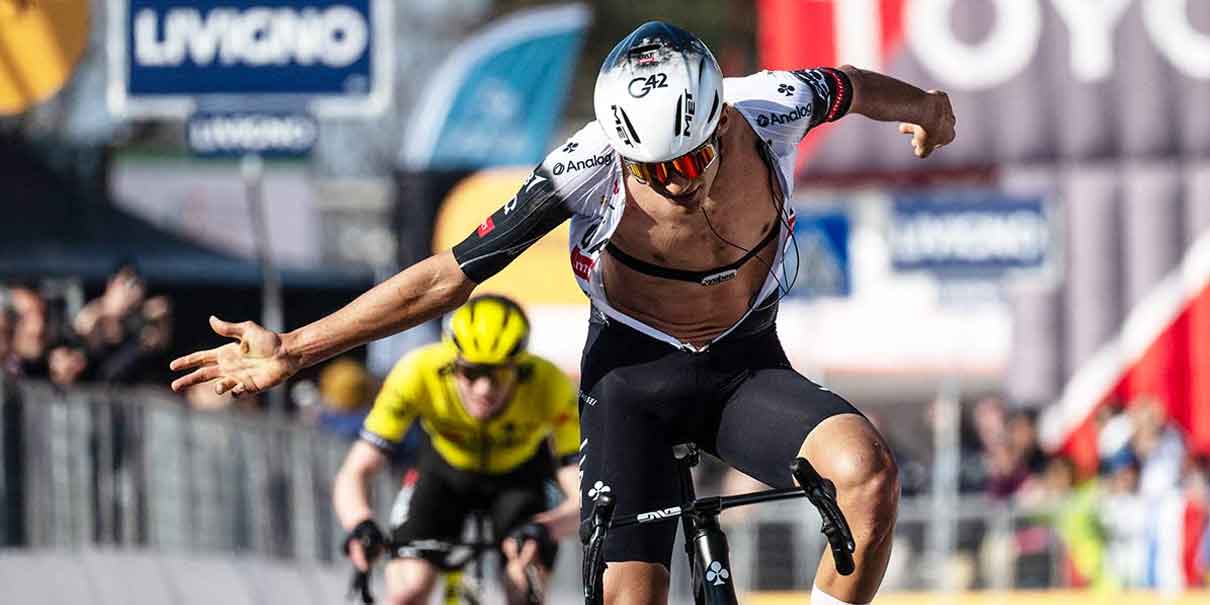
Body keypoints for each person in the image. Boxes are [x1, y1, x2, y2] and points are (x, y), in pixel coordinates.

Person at [170, 21, 955, 605]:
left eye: (690, 156)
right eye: (654, 167)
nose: (676, 181)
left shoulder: (773, 103)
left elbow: (853, 84)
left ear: (720, 119)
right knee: (631, 597)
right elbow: (443, 279)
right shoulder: (585, 169)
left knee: (867, 477)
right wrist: (298, 348)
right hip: (632, 382)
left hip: (746, 363)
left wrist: (924, 105)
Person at [331, 295, 580, 604]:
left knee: (523, 589)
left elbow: (582, 497)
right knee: (408, 591)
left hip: (518, 479)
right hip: (443, 472)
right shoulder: (418, 371)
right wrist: (360, 523)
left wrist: (547, 528)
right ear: (451, 365)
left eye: (498, 373)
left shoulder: (550, 383)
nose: (484, 389)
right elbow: (357, 468)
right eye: (471, 373)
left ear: (519, 367)